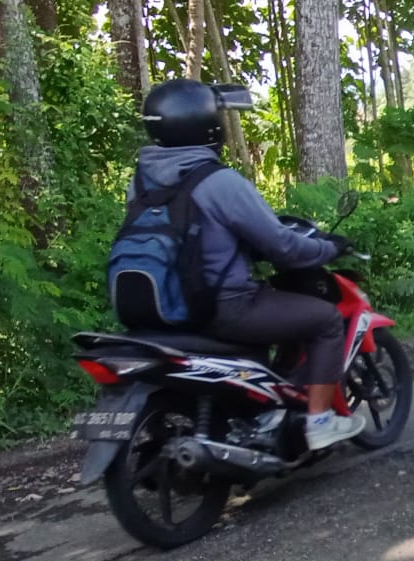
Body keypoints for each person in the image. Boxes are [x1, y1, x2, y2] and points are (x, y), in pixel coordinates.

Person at [134, 79, 365, 451]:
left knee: (276, 320)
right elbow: (283, 248)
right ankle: (320, 421)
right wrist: (328, 249)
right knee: (324, 320)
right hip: (224, 307)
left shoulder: (143, 183)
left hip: (168, 309)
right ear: (206, 126)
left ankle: (261, 410)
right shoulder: (219, 182)